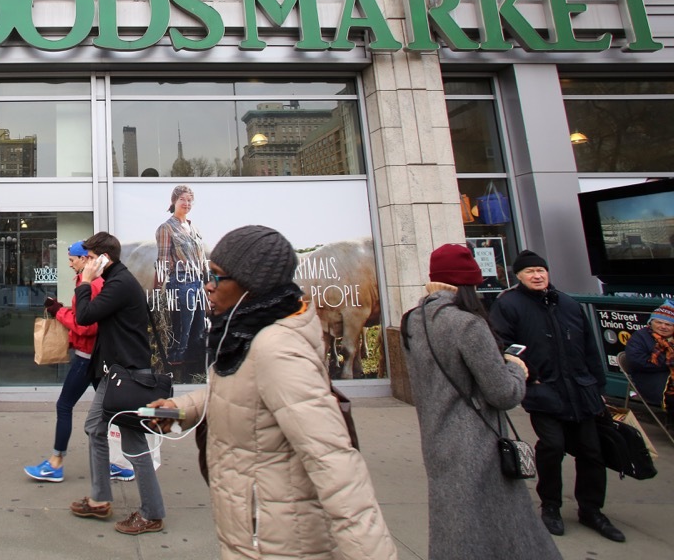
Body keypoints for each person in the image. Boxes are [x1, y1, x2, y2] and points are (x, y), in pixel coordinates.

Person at [149, 225, 397, 559]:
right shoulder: (247, 335)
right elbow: (241, 392)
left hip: (277, 541)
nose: (208, 285)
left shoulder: (277, 350)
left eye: (218, 277)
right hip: (253, 531)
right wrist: (181, 408)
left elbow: (336, 466)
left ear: (252, 286)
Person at [401, 244, 560, 560]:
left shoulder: (412, 321)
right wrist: (515, 369)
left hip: (436, 439)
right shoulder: (467, 324)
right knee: (501, 530)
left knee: (456, 527)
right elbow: (502, 393)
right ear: (469, 283)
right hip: (478, 444)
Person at [489, 250, 625, 543]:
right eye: (529, 272)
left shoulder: (569, 304)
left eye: (541, 270)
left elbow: (590, 348)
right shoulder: (508, 305)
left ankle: (591, 509)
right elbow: (503, 344)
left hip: (581, 390)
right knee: (552, 447)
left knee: (592, 451)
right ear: (518, 276)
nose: (537, 275)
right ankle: (550, 505)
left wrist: (599, 388)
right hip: (543, 391)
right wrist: (530, 375)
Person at [68, 232, 166, 536]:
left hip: (128, 376)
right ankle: (100, 500)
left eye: (89, 257)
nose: (84, 262)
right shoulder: (117, 281)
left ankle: (152, 513)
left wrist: (85, 281)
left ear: (103, 258)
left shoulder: (120, 284)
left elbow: (84, 316)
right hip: (118, 374)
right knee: (95, 428)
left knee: (134, 443)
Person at [25, 241, 136, 483]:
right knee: (108, 412)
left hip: (87, 358)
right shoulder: (91, 283)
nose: (70, 263)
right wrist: (64, 310)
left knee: (64, 406)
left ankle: (56, 464)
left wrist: (58, 312)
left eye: (73, 258)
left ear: (86, 259)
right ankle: (118, 463)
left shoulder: (93, 284)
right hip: (93, 357)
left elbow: (86, 325)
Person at [155, 185, 209, 369]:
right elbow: (162, 260)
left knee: (199, 327)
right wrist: (157, 291)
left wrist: (207, 282)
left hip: (198, 281)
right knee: (182, 328)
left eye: (189, 200)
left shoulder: (194, 227)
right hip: (180, 282)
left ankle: (193, 367)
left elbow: (202, 259)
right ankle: (175, 364)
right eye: (182, 200)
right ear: (174, 201)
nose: (186, 203)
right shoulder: (166, 228)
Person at [622, 299, 674, 426]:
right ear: (651, 322)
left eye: (668, 324)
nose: (663, 326)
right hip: (649, 378)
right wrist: (666, 363)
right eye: (659, 322)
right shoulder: (640, 337)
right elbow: (637, 361)